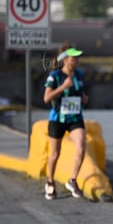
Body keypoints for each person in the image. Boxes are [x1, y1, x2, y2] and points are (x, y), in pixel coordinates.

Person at [43, 44, 89, 200]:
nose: (77, 59)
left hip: (75, 118)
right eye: (74, 57)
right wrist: (62, 87)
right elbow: (47, 98)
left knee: (82, 147)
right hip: (57, 119)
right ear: (65, 59)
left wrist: (84, 99)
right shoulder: (54, 76)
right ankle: (50, 182)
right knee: (55, 154)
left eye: (77, 57)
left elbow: (82, 94)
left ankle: (72, 180)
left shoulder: (80, 75)